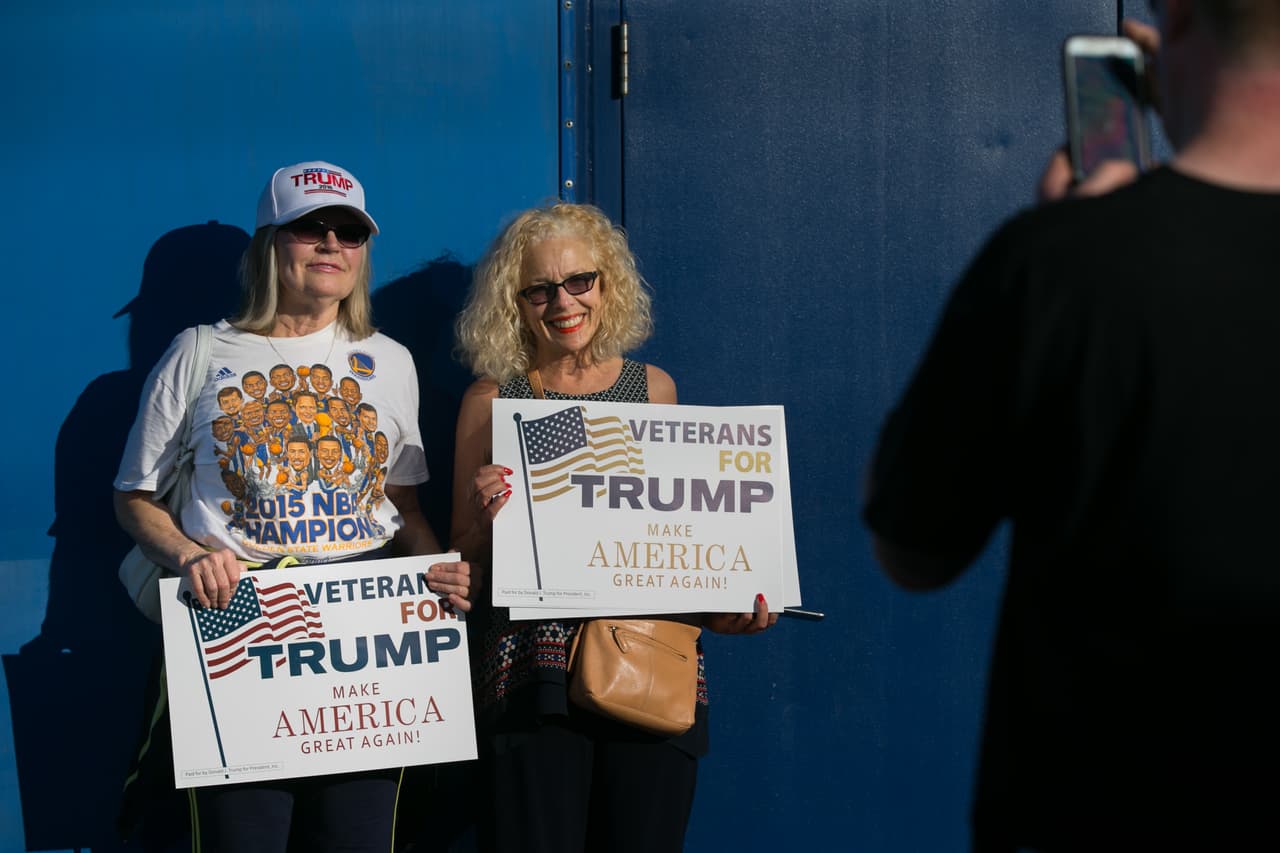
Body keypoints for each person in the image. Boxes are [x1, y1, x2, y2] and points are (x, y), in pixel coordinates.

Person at [863, 3, 1280, 849]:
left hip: (1101, 805)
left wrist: (1067, 240)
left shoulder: (1055, 263)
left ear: (1183, 22)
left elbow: (914, 549)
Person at [113, 160, 472, 852]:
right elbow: (134, 497)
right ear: (269, 244)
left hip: (366, 655)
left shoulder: (390, 360)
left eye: (350, 232)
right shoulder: (201, 351)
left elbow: (402, 504)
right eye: (311, 228)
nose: (333, 244)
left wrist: (438, 571)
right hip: (240, 639)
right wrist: (191, 555)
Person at [451, 201, 776, 853]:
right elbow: (460, 563)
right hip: (529, 680)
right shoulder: (492, 399)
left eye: (580, 281)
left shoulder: (652, 388)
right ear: (514, 301)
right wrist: (485, 524)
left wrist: (722, 608)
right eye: (539, 288)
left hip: (648, 666)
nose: (562, 301)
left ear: (608, 284)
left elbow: (670, 541)